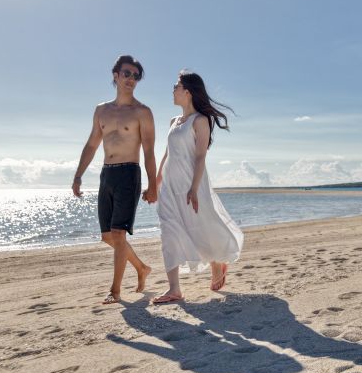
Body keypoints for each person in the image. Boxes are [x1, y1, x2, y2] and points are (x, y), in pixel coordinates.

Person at [152, 70, 243, 304]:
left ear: (188, 92)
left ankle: (217, 263)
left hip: (191, 183)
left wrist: (194, 188)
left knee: (200, 226)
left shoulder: (200, 121)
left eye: (176, 85)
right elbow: (166, 153)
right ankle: (174, 289)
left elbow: (200, 157)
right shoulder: (174, 121)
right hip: (170, 185)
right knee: (168, 231)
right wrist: (156, 180)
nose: (172, 89)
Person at [72, 55, 157, 304]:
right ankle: (141, 267)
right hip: (107, 174)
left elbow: (149, 151)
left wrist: (153, 185)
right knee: (108, 236)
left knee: (119, 234)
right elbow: (91, 144)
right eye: (127, 73)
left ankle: (115, 291)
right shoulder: (102, 110)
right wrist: (78, 175)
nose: (131, 79)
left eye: (135, 76)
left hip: (129, 173)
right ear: (116, 75)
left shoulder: (142, 112)